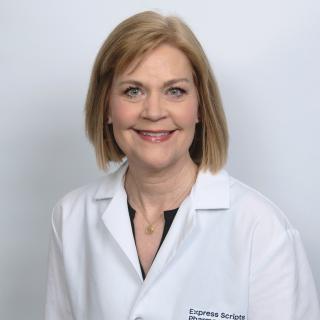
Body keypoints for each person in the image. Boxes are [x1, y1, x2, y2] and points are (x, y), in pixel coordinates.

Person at [45, 10, 320, 320]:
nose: (153, 111)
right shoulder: (70, 218)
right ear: (106, 107)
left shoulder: (262, 230)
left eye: (174, 91)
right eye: (133, 91)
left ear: (199, 107)